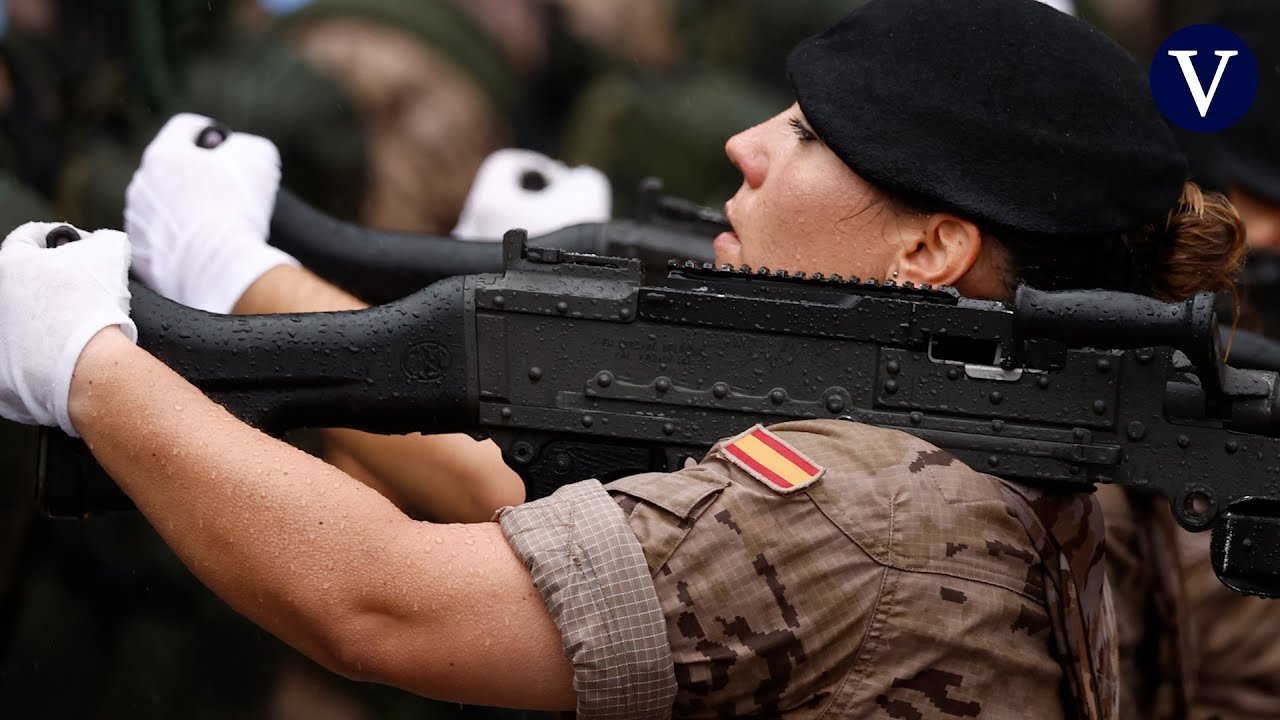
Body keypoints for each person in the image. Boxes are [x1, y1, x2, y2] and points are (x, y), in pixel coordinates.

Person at [0, 0, 1250, 717]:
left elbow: (381, 601)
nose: (748, 141)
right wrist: (250, 288)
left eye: (812, 138)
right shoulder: (1001, 440)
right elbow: (584, 539)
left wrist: (96, 364)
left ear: (931, 246)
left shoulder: (870, 512)